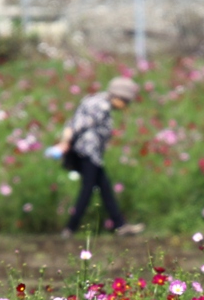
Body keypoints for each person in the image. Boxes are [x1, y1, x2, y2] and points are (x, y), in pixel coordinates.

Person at [57, 77, 145, 238]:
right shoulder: (101, 106)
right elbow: (78, 125)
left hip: (91, 154)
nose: (126, 106)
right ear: (118, 97)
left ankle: (120, 225)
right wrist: (64, 142)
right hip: (88, 153)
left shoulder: (94, 100)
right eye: (126, 102)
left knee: (105, 188)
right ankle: (70, 228)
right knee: (88, 189)